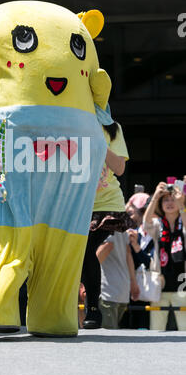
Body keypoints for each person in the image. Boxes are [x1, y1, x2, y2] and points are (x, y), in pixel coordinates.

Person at [81, 105, 135, 329]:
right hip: (76, 203)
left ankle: (93, 308)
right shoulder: (70, 123)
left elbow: (120, 168)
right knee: (75, 253)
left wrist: (98, 142)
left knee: (86, 249)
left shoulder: (112, 129)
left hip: (106, 204)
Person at [143, 181, 186, 331]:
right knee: (156, 329)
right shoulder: (158, 224)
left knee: (184, 329)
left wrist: (182, 204)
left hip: (182, 284)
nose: (169, 203)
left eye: (172, 199)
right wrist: (155, 197)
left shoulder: (183, 220)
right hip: (160, 284)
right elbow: (145, 222)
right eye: (165, 200)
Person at [96, 230, 140, 329]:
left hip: (108, 290)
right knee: (112, 334)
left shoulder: (105, 222)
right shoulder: (121, 225)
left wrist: (86, 275)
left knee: (106, 337)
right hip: (121, 290)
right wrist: (133, 282)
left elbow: (107, 246)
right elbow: (128, 254)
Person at [124, 192, 154, 328]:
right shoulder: (131, 232)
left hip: (152, 289)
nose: (128, 217)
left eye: (131, 213)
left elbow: (152, 264)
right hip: (132, 288)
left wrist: (136, 247)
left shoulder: (158, 232)